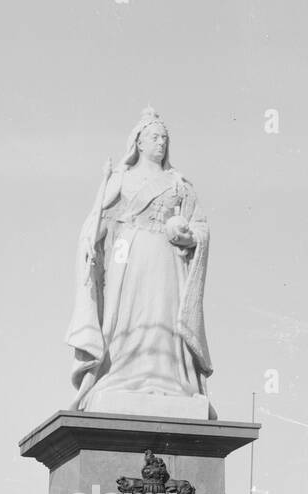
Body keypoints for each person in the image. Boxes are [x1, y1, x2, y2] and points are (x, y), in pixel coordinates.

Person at [66, 108, 214, 414]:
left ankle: (171, 380)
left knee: (163, 314)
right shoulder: (122, 178)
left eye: (164, 138)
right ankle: (119, 374)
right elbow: (97, 221)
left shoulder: (178, 183)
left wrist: (188, 235)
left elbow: (200, 224)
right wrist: (90, 244)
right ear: (139, 143)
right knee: (128, 317)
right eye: (154, 137)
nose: (160, 142)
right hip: (128, 256)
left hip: (167, 259)